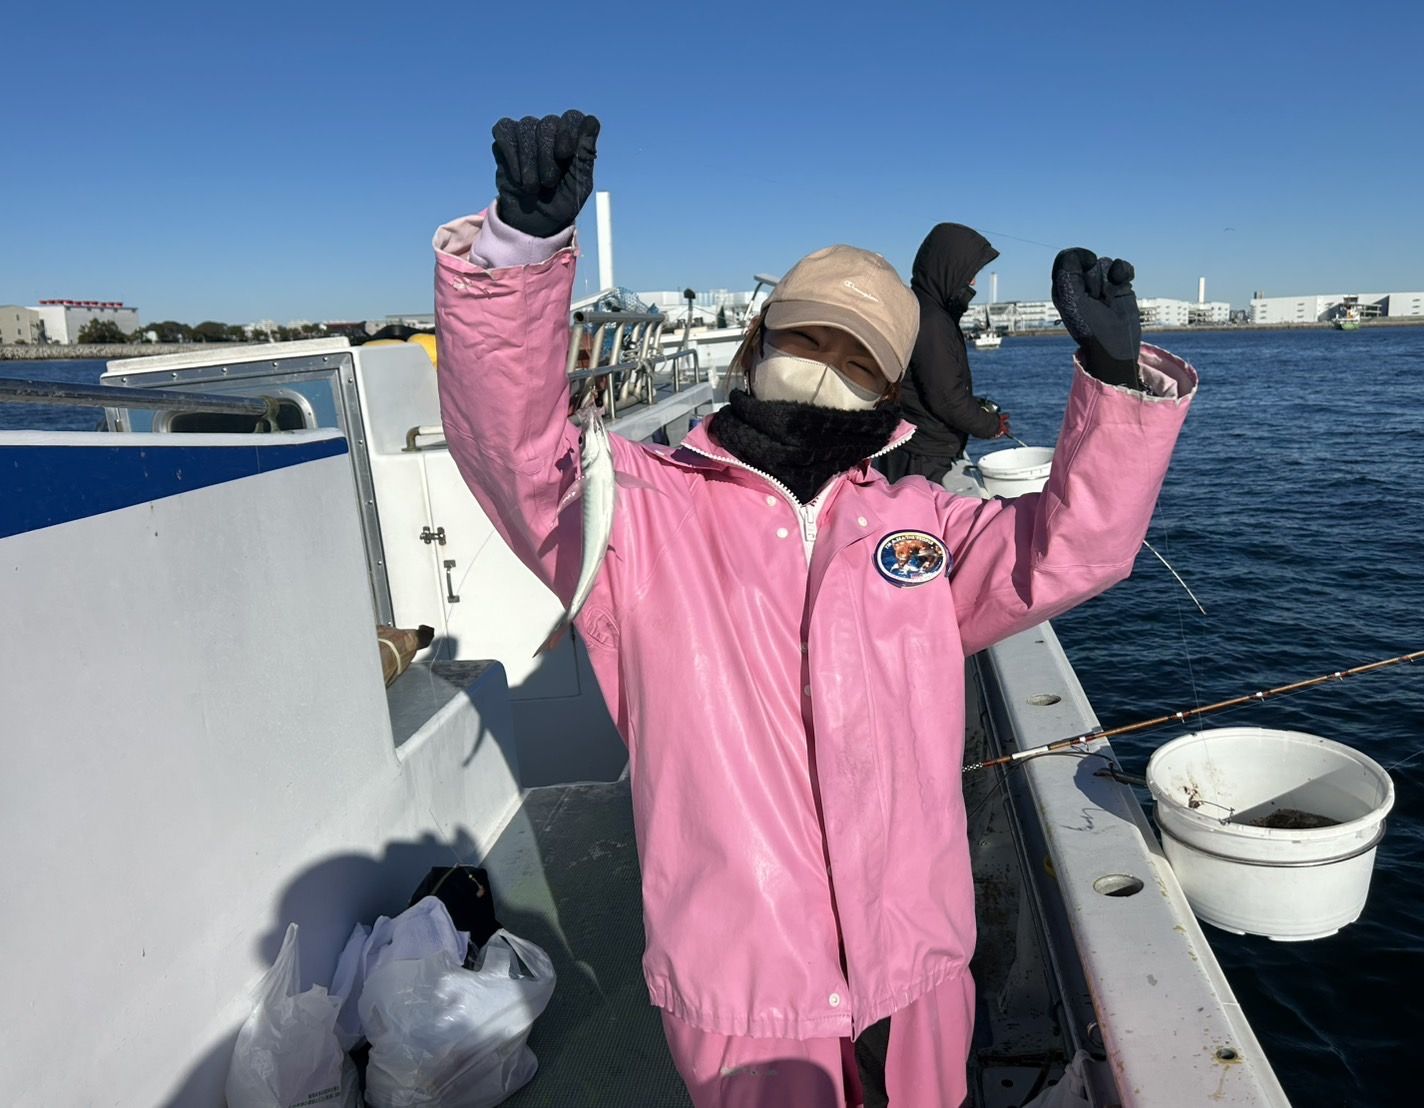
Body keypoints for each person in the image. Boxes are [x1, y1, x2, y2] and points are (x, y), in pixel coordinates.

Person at [433, 110, 1197, 1108]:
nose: (826, 366)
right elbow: (509, 449)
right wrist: (518, 256)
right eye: (805, 336)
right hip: (742, 986)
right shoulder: (632, 509)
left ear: (888, 390)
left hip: (916, 968)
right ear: (757, 340)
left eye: (859, 357)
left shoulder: (921, 524)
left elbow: (1073, 549)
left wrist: (1112, 383)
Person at [876, 222, 1010, 485]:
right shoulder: (932, 322)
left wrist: (977, 408)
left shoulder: (918, 308)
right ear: (948, 268)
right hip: (923, 456)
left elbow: (929, 385)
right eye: (969, 273)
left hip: (909, 447)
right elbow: (947, 399)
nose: (973, 282)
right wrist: (992, 425)